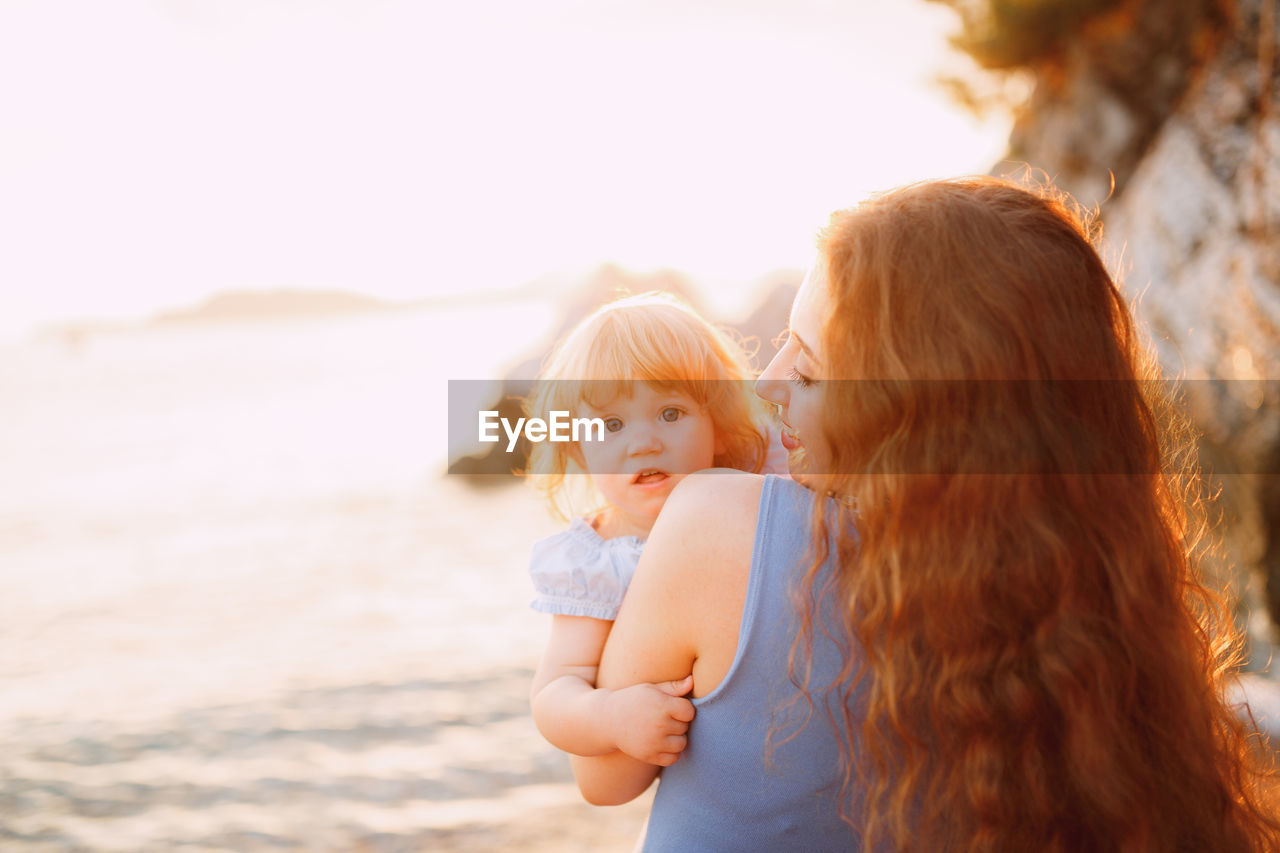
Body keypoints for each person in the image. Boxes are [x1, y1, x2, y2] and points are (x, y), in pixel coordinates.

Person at [572, 178, 1280, 851]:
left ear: (920, 410)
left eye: (812, 370)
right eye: (786, 340)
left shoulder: (714, 523)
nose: (769, 379)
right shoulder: (1088, 614)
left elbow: (602, 775)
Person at [525, 291, 777, 769]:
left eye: (670, 414)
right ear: (578, 452)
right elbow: (554, 692)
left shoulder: (751, 500)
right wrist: (611, 715)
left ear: (718, 426)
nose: (643, 443)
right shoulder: (597, 559)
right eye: (612, 424)